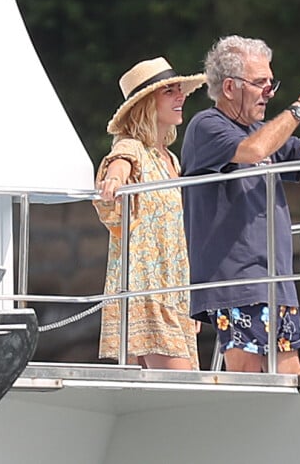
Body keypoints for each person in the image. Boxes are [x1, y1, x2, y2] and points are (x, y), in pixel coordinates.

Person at [181, 35, 300, 373]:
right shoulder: (207, 126)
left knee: (292, 382)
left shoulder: (264, 130)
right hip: (237, 283)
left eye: (271, 84)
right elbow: (253, 151)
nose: (268, 93)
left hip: (275, 282)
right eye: (261, 84)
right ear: (229, 87)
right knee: (249, 383)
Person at [94, 57, 206, 370]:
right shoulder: (133, 148)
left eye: (179, 90)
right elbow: (120, 160)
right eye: (169, 91)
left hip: (173, 289)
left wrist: (189, 298)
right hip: (146, 289)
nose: (180, 96)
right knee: (183, 389)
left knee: (164, 393)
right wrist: (114, 179)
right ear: (146, 103)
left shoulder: (171, 159)